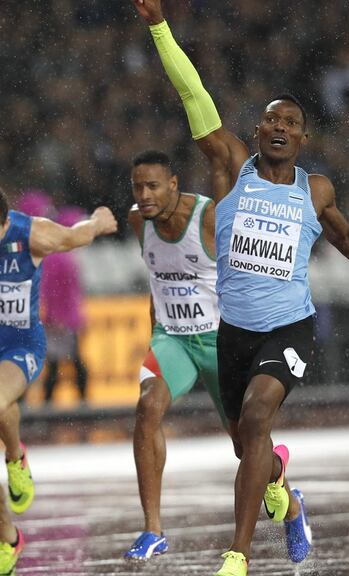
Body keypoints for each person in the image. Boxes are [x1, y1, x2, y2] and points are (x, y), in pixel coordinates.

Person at [130, 2, 349, 574]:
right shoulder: (230, 169)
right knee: (246, 443)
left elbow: (348, 240)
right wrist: (159, 27)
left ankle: (238, 555)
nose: (279, 128)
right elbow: (193, 93)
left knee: (254, 419)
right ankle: (290, 500)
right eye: (271, 120)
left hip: (289, 327)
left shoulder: (315, 190)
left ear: (303, 137)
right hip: (234, 332)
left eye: (290, 123)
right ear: (257, 131)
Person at [0, 183, 116, 575]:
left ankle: (16, 456)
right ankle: (9, 540)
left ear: (7, 223)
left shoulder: (32, 233)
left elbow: (75, 235)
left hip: (21, 345)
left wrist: (99, 223)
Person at [124, 149, 228, 561]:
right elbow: (156, 278)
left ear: (173, 184)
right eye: (137, 187)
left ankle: (290, 504)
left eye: (152, 186)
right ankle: (153, 529)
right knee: (148, 406)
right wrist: (157, 332)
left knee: (247, 444)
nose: (144, 195)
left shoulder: (209, 218)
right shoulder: (138, 221)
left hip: (221, 341)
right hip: (173, 339)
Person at [39, 206, 90, 406]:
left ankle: (48, 408)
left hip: (60, 319)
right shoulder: (63, 258)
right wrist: (59, 317)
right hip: (64, 321)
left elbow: (50, 291)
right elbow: (59, 293)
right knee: (71, 363)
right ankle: (80, 405)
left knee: (56, 364)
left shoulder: (54, 255)